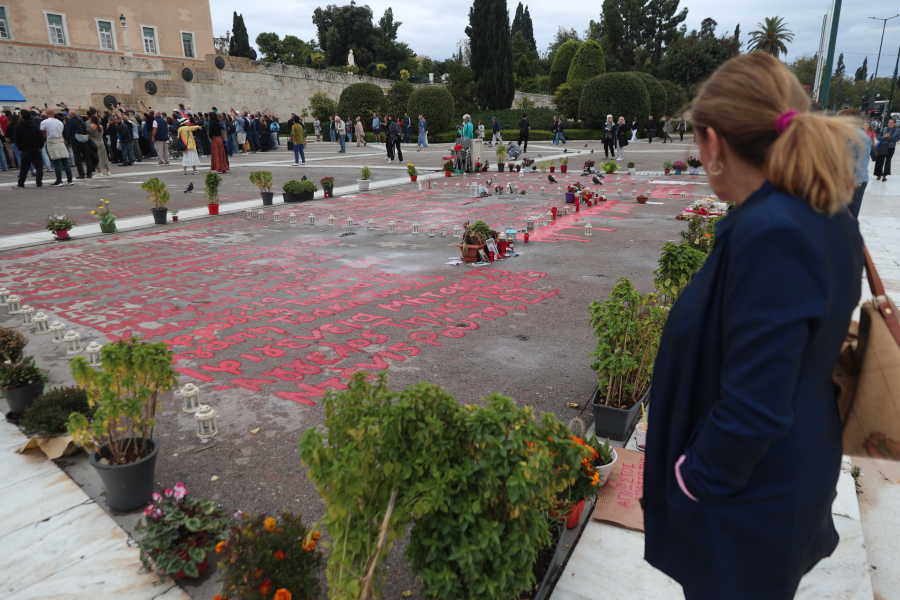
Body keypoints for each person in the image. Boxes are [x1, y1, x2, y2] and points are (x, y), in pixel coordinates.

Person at [644, 52, 864, 600]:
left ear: (715, 142)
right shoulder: (817, 210)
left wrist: (691, 482)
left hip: (749, 502)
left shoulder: (773, 232)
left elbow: (754, 408)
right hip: (778, 476)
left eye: (697, 142)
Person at [839, 109, 870, 219]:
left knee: (851, 215)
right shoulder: (843, 134)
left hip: (854, 183)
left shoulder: (861, 138)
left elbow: (863, 163)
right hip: (842, 180)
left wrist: (855, 184)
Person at [11, 110, 43, 189]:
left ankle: (21, 183)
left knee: (24, 167)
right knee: (39, 167)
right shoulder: (35, 126)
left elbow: (17, 139)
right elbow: (41, 138)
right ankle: (39, 183)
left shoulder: (18, 127)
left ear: (21, 116)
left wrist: (20, 148)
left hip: (25, 149)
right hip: (36, 148)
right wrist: (40, 147)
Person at [41, 110, 72, 186]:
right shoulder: (60, 122)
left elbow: (43, 135)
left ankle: (59, 181)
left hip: (51, 141)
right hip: (60, 141)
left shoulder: (44, 122)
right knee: (65, 162)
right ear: (54, 113)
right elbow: (63, 132)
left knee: (56, 162)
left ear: (47, 114)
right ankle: (70, 180)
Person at [874, 118, 898, 182]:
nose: (889, 124)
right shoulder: (884, 129)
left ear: (894, 123)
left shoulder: (897, 130)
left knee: (887, 161)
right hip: (882, 146)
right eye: (889, 122)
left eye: (891, 123)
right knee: (879, 160)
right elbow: (878, 137)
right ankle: (878, 174)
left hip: (890, 148)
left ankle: (885, 175)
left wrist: (889, 137)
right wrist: (883, 137)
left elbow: (897, 139)